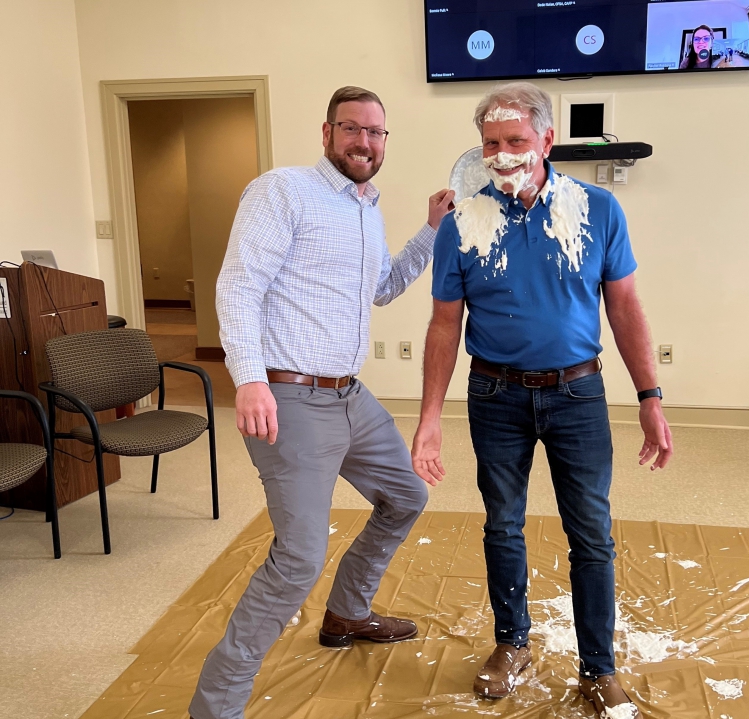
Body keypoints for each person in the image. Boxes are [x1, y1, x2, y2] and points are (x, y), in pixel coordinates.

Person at [189, 85, 455, 719]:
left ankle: (347, 613)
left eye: (375, 132)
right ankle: (215, 707)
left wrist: (430, 230)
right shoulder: (282, 191)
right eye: (352, 128)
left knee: (406, 495)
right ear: (328, 133)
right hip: (288, 396)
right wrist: (248, 379)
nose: (364, 141)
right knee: (299, 557)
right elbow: (239, 285)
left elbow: (383, 287)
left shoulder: (366, 207)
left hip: (348, 395)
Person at [411, 82, 673, 719]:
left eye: (516, 140)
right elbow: (444, 324)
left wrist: (650, 396)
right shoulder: (461, 222)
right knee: (502, 524)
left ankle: (598, 669)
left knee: (591, 534)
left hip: (578, 393)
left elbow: (625, 307)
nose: (502, 154)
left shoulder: (598, 209)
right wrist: (428, 419)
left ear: (547, 141)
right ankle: (512, 644)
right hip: (493, 392)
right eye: (490, 143)